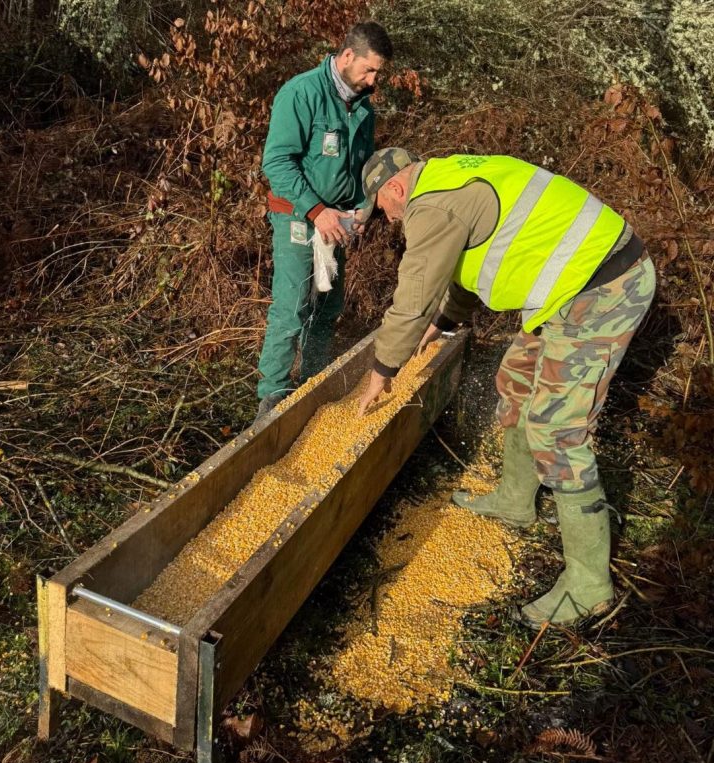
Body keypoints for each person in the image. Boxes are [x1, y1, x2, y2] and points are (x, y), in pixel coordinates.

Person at [356, 148, 656, 628]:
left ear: (393, 188)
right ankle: (516, 500)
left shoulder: (429, 206)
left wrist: (382, 370)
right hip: (569, 287)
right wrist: (447, 319)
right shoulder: (450, 178)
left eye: (383, 211)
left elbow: (412, 298)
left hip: (603, 287)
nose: (390, 221)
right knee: (514, 379)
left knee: (556, 430)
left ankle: (590, 586)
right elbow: (463, 265)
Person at [255, 22, 393, 419]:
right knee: (292, 306)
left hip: (337, 224)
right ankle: (273, 402)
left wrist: (362, 210)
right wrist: (317, 211)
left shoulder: (363, 107)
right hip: (298, 217)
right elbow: (277, 163)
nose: (373, 79)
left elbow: (362, 167)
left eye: (378, 73)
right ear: (347, 56)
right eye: (369, 70)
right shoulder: (301, 93)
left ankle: (314, 388)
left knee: (327, 308)